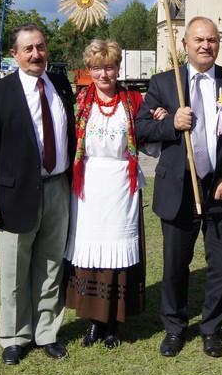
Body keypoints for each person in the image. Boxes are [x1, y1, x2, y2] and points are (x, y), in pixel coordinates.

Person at [136, 16, 222, 358]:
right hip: (179, 189)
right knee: (176, 264)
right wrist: (172, 124)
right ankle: (174, 328)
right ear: (185, 44)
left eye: (212, 40)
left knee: (220, 265)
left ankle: (211, 329)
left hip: (219, 189)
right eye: (199, 40)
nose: (206, 45)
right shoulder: (163, 84)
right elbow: (142, 127)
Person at [0, 24, 75, 366]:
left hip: (58, 188)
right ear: (14, 54)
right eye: (28, 49)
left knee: (50, 266)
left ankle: (46, 332)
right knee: (15, 272)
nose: (36, 54)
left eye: (41, 47)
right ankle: (15, 336)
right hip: (14, 196)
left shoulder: (60, 85)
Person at [64, 39, 165, 349]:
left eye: (108, 67)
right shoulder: (81, 101)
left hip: (122, 183)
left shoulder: (134, 100)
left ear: (118, 68)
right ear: (88, 70)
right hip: (89, 185)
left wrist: (158, 120)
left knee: (118, 253)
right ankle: (94, 323)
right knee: (91, 254)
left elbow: (148, 143)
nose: (103, 74)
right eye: (96, 68)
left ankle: (114, 326)